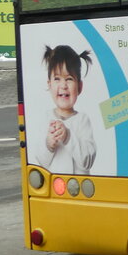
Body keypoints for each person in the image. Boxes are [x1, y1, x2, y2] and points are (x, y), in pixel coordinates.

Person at [31, 44, 97, 174]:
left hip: (80, 191)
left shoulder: (82, 120)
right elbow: (41, 161)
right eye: (57, 79)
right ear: (49, 85)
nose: (63, 85)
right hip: (55, 190)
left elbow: (87, 162)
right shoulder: (46, 118)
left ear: (80, 87)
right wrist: (48, 144)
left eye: (69, 79)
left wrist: (68, 136)